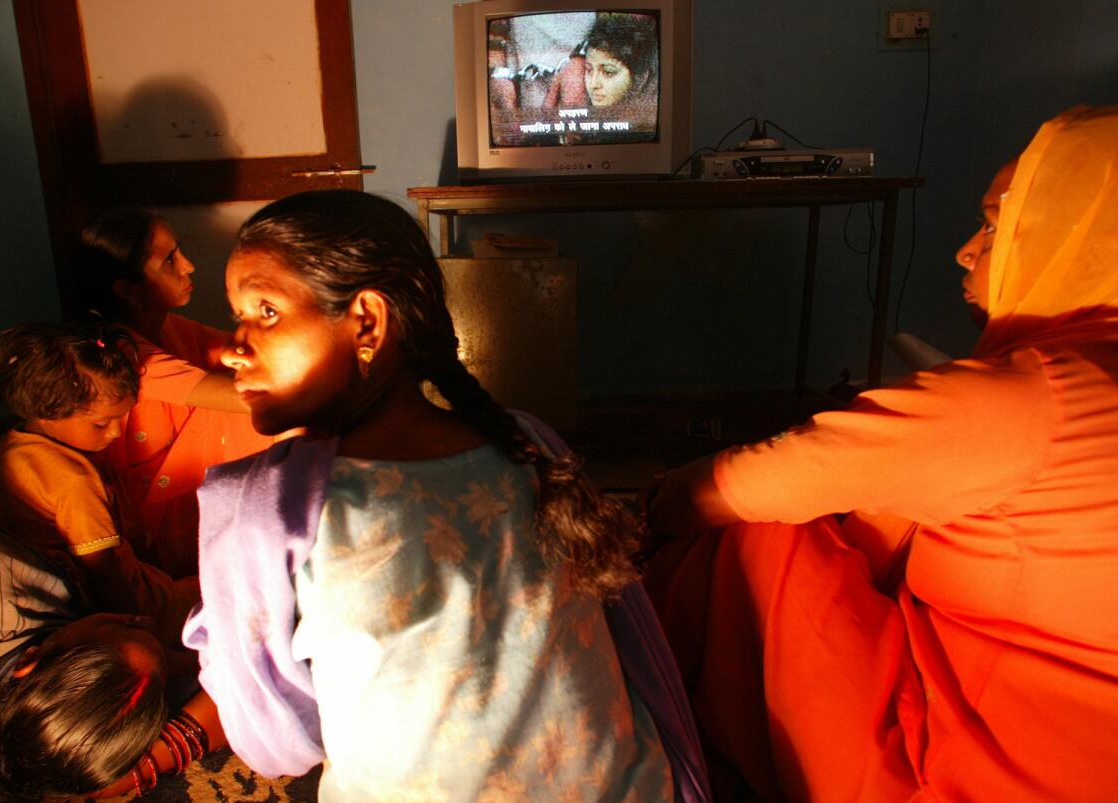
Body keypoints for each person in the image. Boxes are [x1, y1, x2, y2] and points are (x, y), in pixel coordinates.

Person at [644, 105, 1118, 802]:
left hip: (976, 773)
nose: (966, 249)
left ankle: (638, 691)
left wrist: (653, 505)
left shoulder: (1028, 400)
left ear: (1069, 234)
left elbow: (764, 477)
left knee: (762, 536)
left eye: (994, 225)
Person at [184, 189, 709, 801]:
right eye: (237, 316)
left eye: (265, 312)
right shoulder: (527, 444)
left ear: (367, 321)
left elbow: (276, 743)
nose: (231, 346)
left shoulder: (267, 507)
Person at [0, 529, 224, 801]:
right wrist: (146, 764)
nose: (146, 621)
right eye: (129, 623)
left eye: (129, 624)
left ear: (30, 661)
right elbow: (239, 701)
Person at [69, 208, 273, 578]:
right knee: (263, 407)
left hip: (191, 487)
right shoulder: (121, 353)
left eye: (179, 251)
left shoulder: (171, 326)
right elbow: (247, 397)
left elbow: (250, 351)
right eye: (169, 261)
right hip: (155, 512)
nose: (189, 266)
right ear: (128, 290)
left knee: (262, 373)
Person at [0, 321, 198, 646]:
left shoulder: (13, 444)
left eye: (120, 419)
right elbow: (105, 572)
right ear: (49, 410)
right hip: (126, 607)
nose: (115, 433)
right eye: (101, 423)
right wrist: (138, 629)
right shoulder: (72, 479)